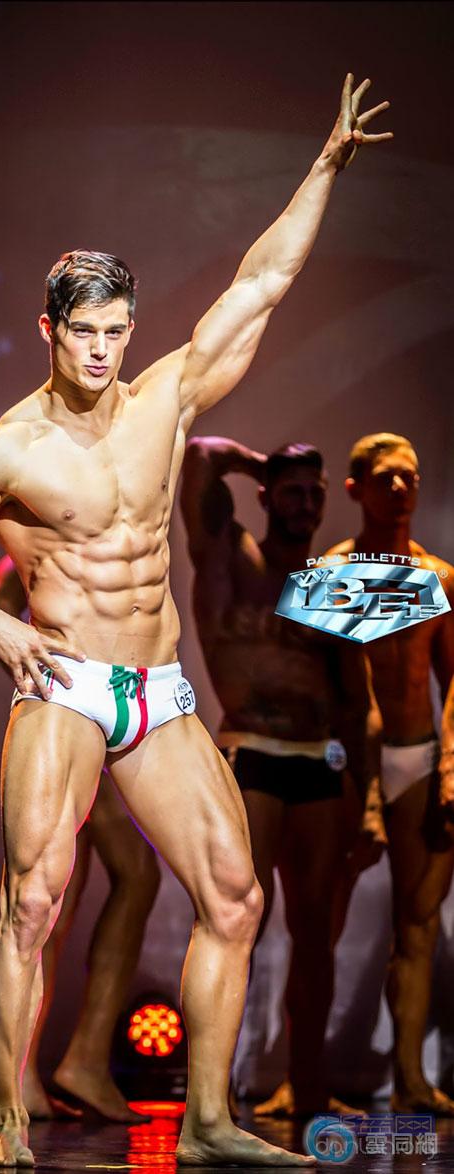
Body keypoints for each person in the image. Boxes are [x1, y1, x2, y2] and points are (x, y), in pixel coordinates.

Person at [0, 74, 391, 1167]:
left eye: (116, 330)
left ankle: (205, 1124)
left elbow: (262, 283)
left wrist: (325, 165)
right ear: (47, 329)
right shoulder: (8, 449)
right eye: (83, 332)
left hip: (156, 690)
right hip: (62, 684)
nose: (102, 351)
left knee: (235, 897)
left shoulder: (166, 400)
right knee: (34, 901)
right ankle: (7, 1124)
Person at [180, 438, 383, 1118]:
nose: (305, 504)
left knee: (316, 932)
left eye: (315, 493)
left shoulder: (332, 585)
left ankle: (310, 1091)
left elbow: (357, 702)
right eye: (291, 491)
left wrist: (368, 799)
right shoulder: (232, 556)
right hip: (252, 752)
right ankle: (211, 1099)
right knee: (235, 921)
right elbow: (199, 454)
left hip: (319, 760)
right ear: (266, 495)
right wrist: (257, 463)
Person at [0, 554, 160, 1123]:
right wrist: (47, 681)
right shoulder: (38, 540)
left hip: (102, 708)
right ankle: (55, 1070)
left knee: (61, 892)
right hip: (73, 712)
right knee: (57, 894)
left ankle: (47, 1071)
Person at [325, 432, 454, 1114]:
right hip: (350, 761)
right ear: (356, 489)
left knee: (419, 921)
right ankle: (302, 1076)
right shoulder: (333, 572)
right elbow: (332, 683)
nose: (400, 489)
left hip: (418, 756)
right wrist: (356, 777)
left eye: (410, 477)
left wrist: (451, 762)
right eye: (386, 478)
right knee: (321, 920)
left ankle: (410, 1078)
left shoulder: (440, 576)